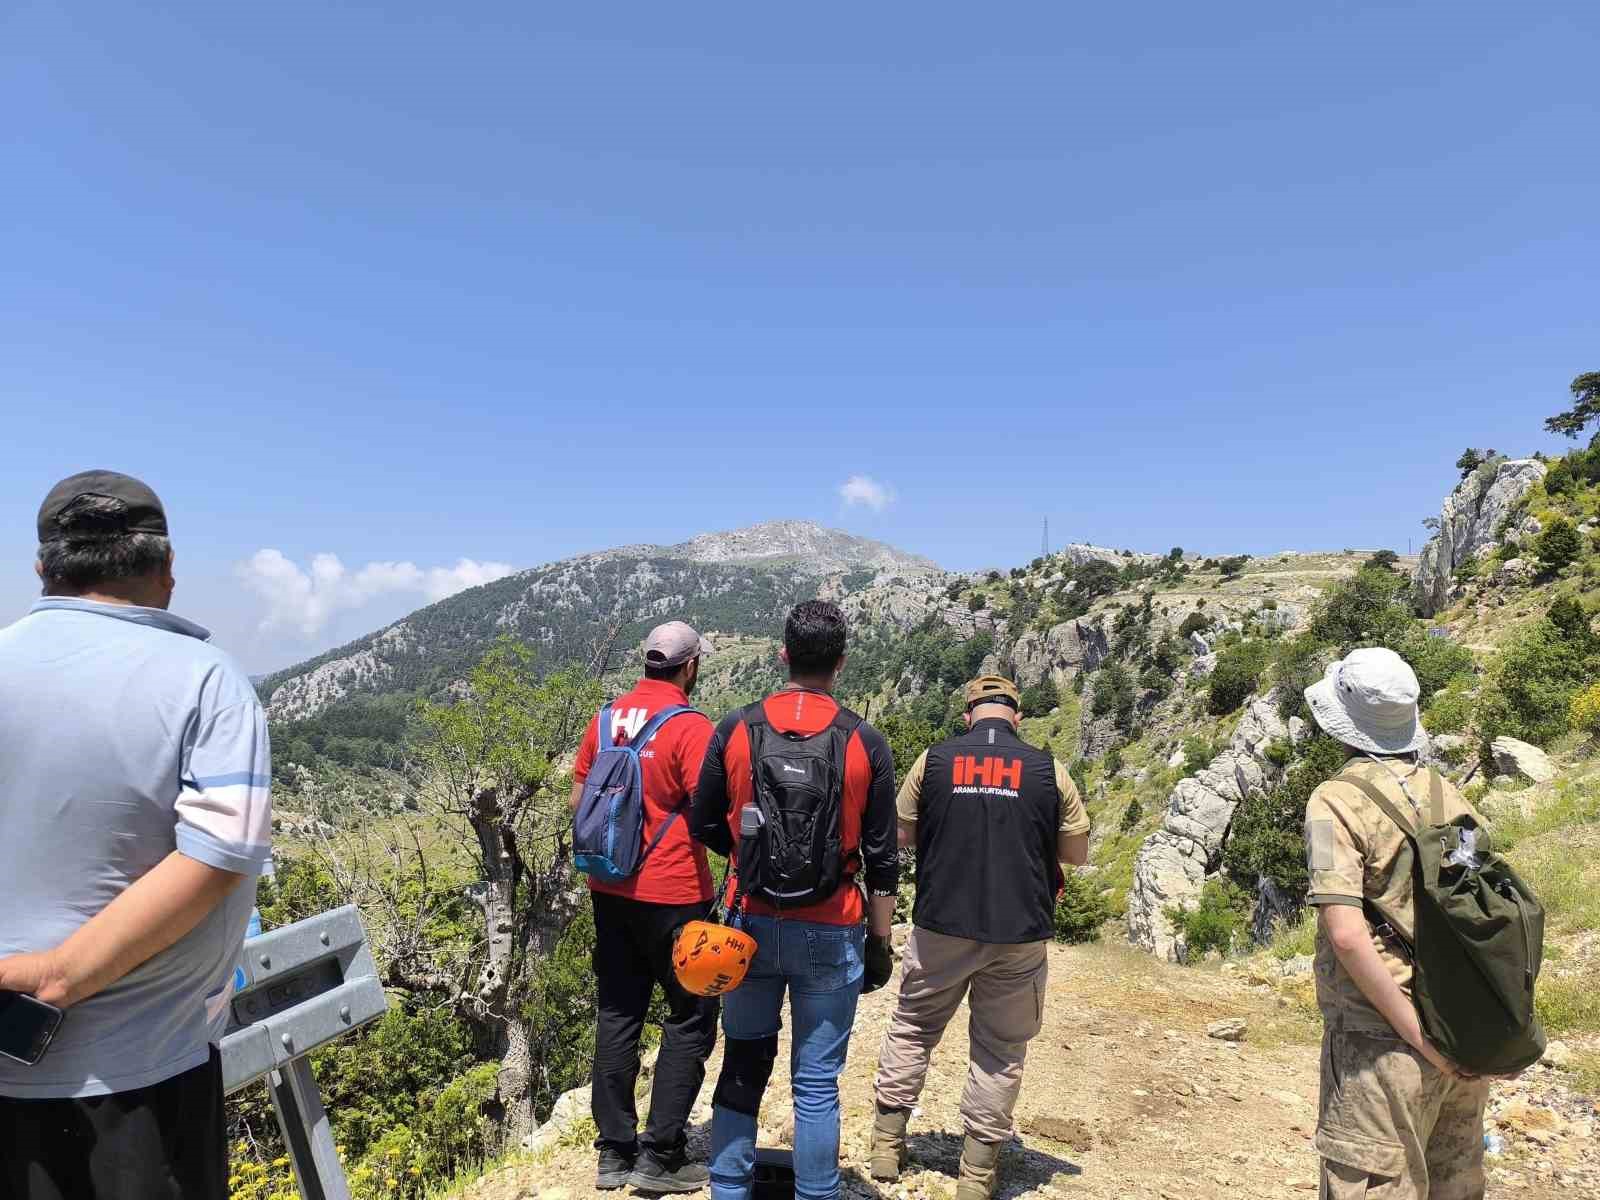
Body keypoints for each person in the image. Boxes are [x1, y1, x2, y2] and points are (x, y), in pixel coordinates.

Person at [0, 471, 273, 1200]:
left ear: (42, 570)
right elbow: (216, 856)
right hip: (140, 1078)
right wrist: (58, 974)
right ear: (168, 569)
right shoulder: (207, 680)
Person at [690, 599, 898, 1200]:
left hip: (749, 923)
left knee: (743, 1064)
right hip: (832, 929)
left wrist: (745, 854)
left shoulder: (734, 728)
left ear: (783, 654)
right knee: (815, 1084)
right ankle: (817, 1192)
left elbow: (703, 826)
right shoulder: (865, 741)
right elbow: (884, 860)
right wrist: (879, 942)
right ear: (841, 662)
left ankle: (728, 1189)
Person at [871, 675, 1089, 1200]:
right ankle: (975, 1174)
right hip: (1018, 932)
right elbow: (1077, 854)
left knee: (914, 1028)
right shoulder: (1049, 769)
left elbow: (899, 833)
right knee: (999, 1048)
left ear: (969, 714)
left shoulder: (934, 760)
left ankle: (885, 1146)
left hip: (941, 921)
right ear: (1017, 716)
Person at [1302, 647, 1491, 1199]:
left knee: (1372, 1185)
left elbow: (1346, 933)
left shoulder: (1333, 801)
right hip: (1458, 1029)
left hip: (1379, 1039)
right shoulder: (1449, 795)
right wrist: (1449, 1042)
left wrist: (1415, 1036)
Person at [569, 621, 720, 1193]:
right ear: (691, 667)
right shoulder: (690, 726)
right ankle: (661, 1155)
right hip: (676, 892)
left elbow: (579, 800)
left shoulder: (606, 718)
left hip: (610, 888)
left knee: (618, 1011)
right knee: (691, 1015)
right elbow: (713, 813)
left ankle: (613, 1151)